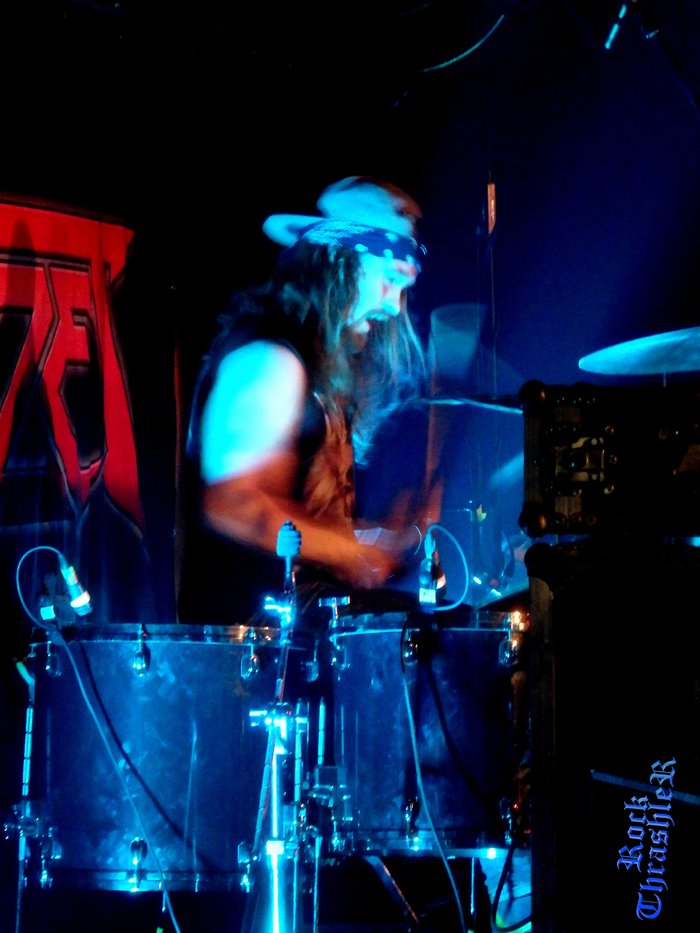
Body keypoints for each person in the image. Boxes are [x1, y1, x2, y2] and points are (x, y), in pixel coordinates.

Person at [178, 176, 431, 624]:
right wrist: (351, 551)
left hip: (303, 623)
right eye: (390, 279)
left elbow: (300, 521)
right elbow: (233, 506)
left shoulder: (316, 367)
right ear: (337, 265)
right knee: (432, 637)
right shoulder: (269, 360)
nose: (395, 305)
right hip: (254, 634)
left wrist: (379, 538)